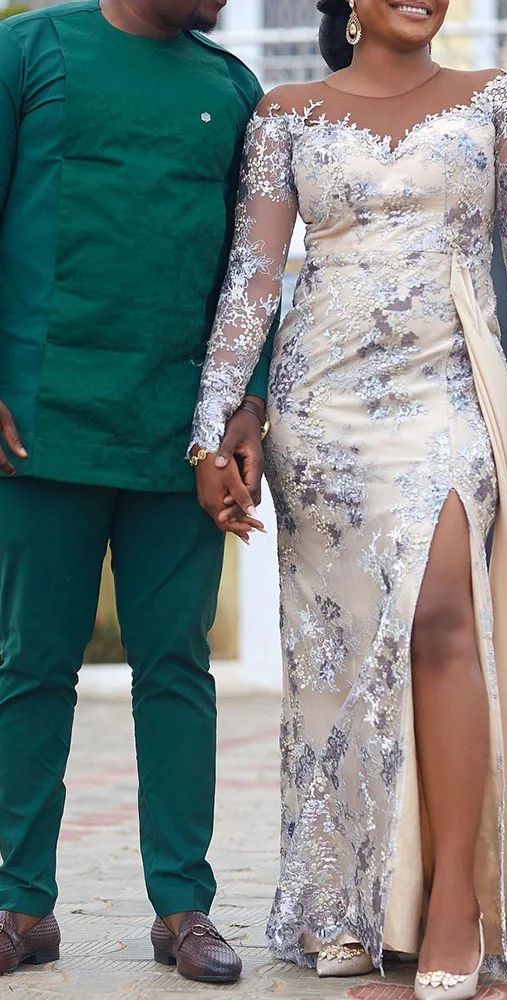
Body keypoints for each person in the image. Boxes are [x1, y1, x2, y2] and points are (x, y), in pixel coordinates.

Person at [191, 0, 507, 997]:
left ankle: (455, 901)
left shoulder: (499, 101)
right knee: (343, 654)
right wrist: (212, 423)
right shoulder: (285, 114)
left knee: (443, 615)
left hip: (445, 395)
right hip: (318, 409)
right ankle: (349, 900)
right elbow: (253, 279)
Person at [0, 0, 279, 983]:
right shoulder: (29, 51)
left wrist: (248, 402)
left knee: (176, 669)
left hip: (181, 437)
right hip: (41, 425)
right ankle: (19, 903)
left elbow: (252, 267)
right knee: (31, 665)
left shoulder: (231, 89)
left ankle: (183, 907)